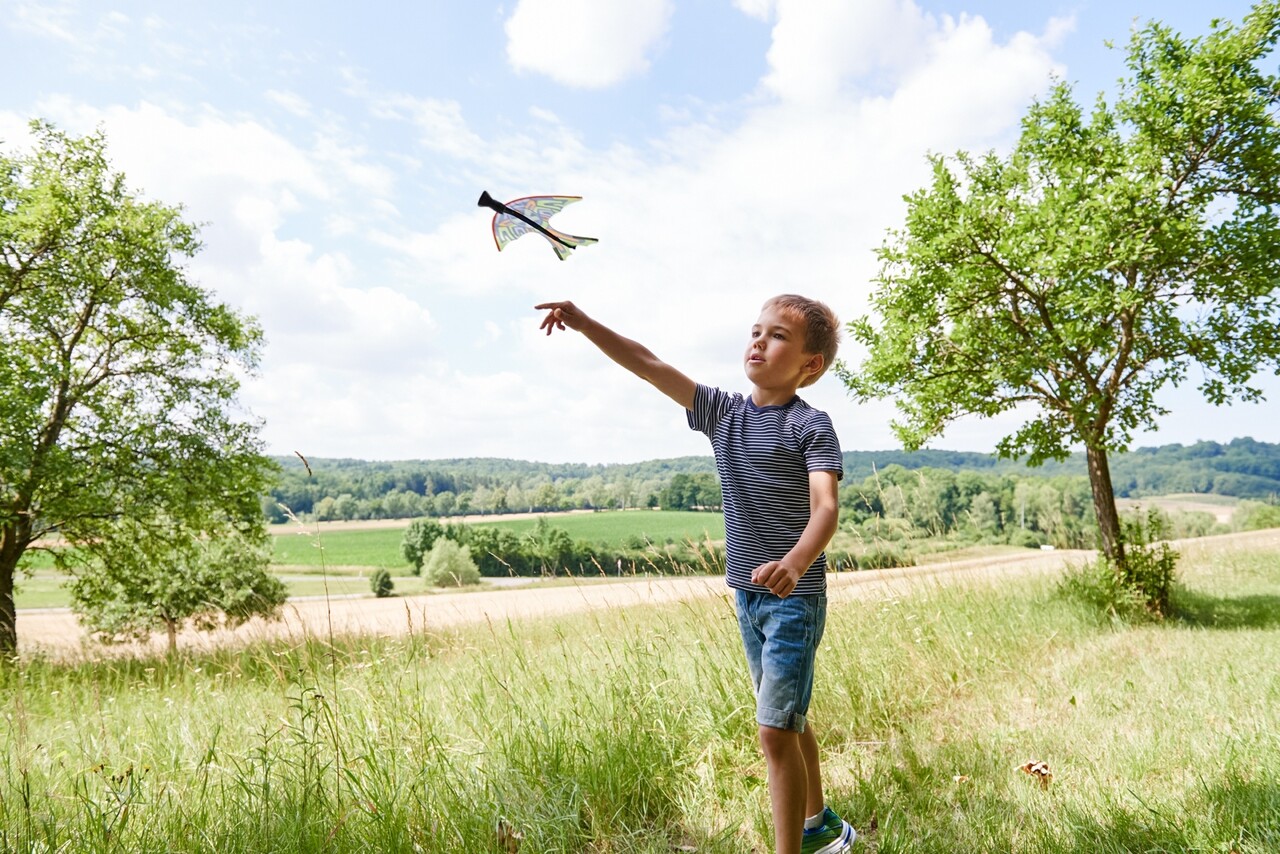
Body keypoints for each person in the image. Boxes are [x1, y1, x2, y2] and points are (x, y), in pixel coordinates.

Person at [535, 296, 855, 854]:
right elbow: (647, 363)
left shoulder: (811, 424)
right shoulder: (724, 414)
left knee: (772, 729)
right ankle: (821, 823)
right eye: (756, 331)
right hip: (747, 596)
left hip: (794, 598)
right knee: (785, 716)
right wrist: (584, 322)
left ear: (810, 365)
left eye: (778, 336)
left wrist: (795, 561)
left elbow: (825, 507)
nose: (758, 341)